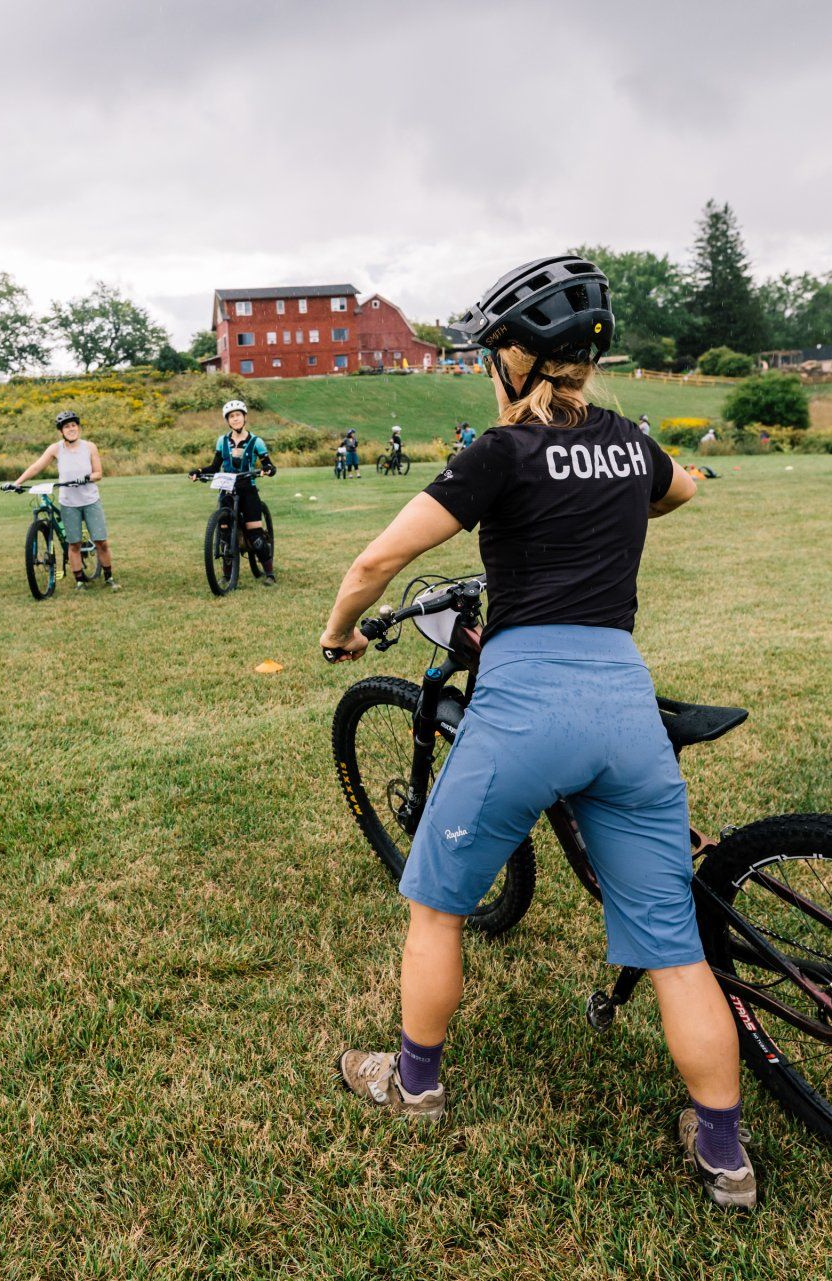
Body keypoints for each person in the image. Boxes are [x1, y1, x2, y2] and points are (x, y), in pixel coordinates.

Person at [318, 256, 745, 1209]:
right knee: (674, 943)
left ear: (515, 357)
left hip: (525, 704)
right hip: (623, 702)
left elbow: (378, 558)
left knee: (434, 903)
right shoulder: (630, 443)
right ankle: (724, 1149)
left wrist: (340, 631)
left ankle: (414, 1082)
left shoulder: (499, 453)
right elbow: (682, 492)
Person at [3, 410, 115, 589]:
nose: (71, 429)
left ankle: (109, 577)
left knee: (101, 541)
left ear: (78, 427)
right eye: (67, 426)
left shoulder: (90, 446)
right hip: (69, 503)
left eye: (74, 425)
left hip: (90, 499)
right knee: (74, 543)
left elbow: (98, 473)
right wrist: (16, 483)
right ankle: (79, 581)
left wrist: (86, 478)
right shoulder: (56, 449)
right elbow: (36, 467)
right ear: (61, 431)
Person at [190, 399, 277, 584]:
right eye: (231, 416)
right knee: (224, 533)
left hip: (248, 488)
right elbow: (215, 465)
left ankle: (269, 572)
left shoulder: (256, 441)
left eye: (238, 415)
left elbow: (267, 463)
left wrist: (268, 469)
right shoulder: (222, 441)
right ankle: (226, 575)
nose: (235, 419)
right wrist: (198, 472)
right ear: (227, 421)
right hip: (227, 488)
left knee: (255, 534)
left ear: (244, 417)